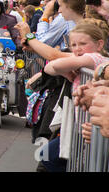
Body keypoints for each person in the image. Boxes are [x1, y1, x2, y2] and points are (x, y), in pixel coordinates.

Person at [41, 22, 109, 172]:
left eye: (83, 44)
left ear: (99, 44)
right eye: (73, 44)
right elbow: (49, 67)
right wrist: (66, 70)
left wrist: (64, 67)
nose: (77, 49)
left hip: (96, 127)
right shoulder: (83, 60)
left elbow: (56, 64)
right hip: (83, 126)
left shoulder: (95, 58)